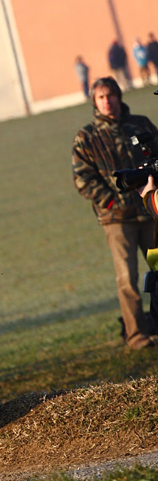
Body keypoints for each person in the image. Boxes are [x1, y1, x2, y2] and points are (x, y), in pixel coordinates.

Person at [72, 77, 158, 350]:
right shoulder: (87, 137)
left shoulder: (141, 125)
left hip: (151, 212)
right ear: (94, 102)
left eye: (110, 95)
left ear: (119, 97)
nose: (106, 101)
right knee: (127, 278)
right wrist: (111, 204)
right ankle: (136, 336)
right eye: (100, 97)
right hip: (117, 221)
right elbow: (83, 179)